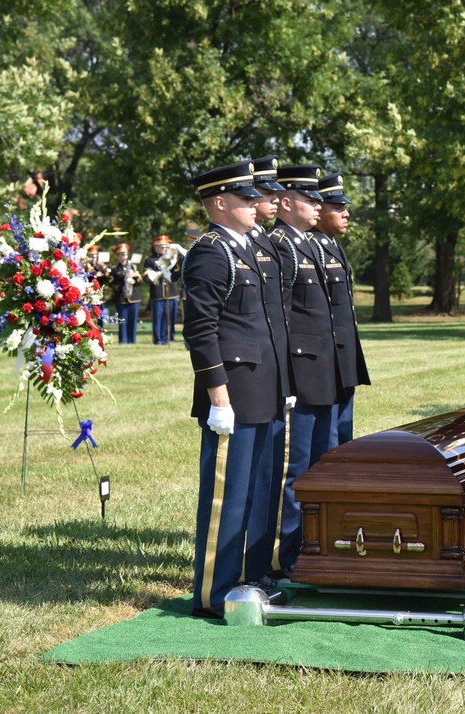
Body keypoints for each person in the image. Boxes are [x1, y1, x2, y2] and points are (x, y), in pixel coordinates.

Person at [183, 159, 283, 617]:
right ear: (220, 203)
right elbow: (201, 330)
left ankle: (251, 577)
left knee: (259, 488)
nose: (254, 204)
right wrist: (217, 396)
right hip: (234, 391)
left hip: (263, 386)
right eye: (244, 199)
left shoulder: (248, 246)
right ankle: (214, 590)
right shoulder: (211, 250)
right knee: (227, 494)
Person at [267, 163, 340, 576]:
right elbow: (282, 314)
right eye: (310, 199)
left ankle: (318, 543)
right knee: (300, 469)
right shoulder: (282, 244)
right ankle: (292, 552)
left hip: (322, 368)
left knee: (322, 462)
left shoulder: (309, 242)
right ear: (288, 202)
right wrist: (289, 375)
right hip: (302, 368)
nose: (317, 205)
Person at [242, 156, 295, 588]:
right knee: (252, 480)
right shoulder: (240, 246)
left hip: (272, 377)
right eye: (263, 192)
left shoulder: (264, 245)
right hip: (248, 379)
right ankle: (247, 567)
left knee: (268, 477)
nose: (272, 199)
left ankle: (260, 564)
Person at [315, 171, 370, 447]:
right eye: (337, 208)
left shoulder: (333, 245)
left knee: (343, 436)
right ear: (318, 208)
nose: (345, 214)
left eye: (344, 207)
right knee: (329, 441)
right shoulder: (313, 246)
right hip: (328, 359)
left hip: (344, 355)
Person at [144, 235, 182, 345]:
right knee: (158, 318)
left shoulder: (172, 259)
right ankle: (158, 339)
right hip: (158, 293)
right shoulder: (150, 260)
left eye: (166, 247)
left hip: (172, 293)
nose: (164, 249)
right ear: (155, 247)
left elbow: (177, 274)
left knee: (170, 318)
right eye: (161, 246)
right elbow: (146, 277)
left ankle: (170, 337)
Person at [109, 243, 142, 344]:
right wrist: (120, 286)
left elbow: (140, 281)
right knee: (122, 321)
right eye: (121, 255)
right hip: (121, 298)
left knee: (133, 321)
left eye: (125, 254)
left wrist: (135, 277)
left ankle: (132, 340)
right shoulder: (115, 269)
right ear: (118, 256)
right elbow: (111, 283)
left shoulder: (133, 267)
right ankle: (123, 340)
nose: (124, 257)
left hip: (134, 297)